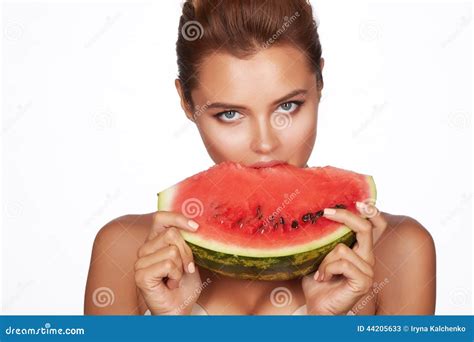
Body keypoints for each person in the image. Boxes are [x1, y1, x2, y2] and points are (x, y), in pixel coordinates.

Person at [84, 0, 436, 315]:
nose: (265, 144)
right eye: (230, 114)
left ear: (320, 84)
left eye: (288, 106)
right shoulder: (126, 250)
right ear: (187, 103)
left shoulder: (398, 252)